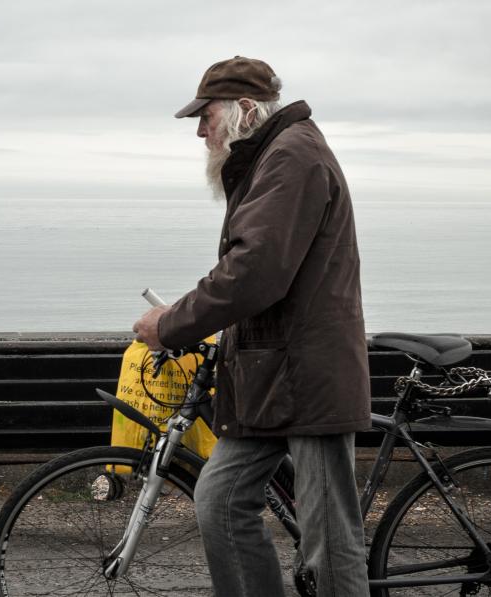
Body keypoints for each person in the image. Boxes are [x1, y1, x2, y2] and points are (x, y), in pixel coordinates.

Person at [133, 56, 370, 596]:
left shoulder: (292, 158)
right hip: (272, 375)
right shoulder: (273, 156)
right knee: (218, 499)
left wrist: (171, 323)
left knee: (328, 539)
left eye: (205, 116)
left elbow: (252, 273)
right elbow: (250, 270)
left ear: (244, 109)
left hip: (307, 377)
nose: (198, 130)